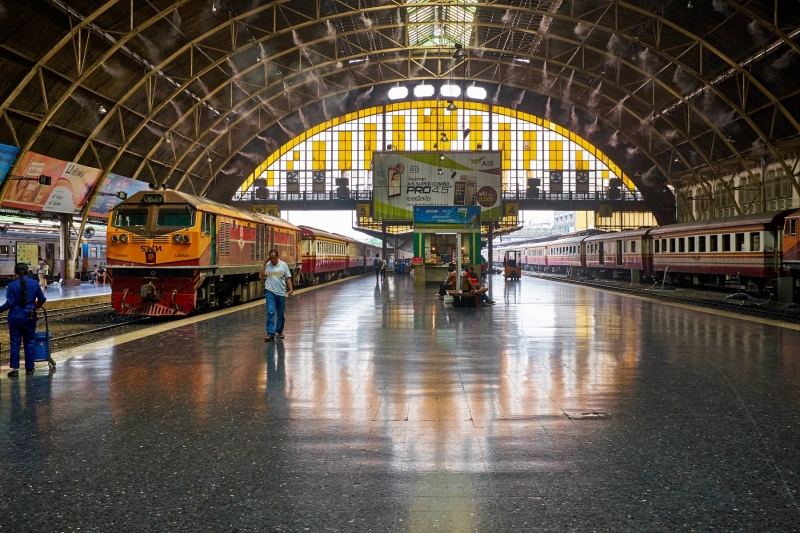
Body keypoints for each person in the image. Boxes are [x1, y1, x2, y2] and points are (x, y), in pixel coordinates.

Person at [1, 263, 47, 377]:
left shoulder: (11, 285)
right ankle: (29, 368)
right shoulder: (34, 283)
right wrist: (36, 306)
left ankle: (15, 369)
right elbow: (42, 299)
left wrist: (0, 309)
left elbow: (10, 303)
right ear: (27, 272)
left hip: (15, 317)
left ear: (14, 272)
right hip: (30, 316)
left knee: (15, 342)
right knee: (30, 342)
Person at [259, 249, 294, 342]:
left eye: (274, 258)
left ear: (278, 257)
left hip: (281, 293)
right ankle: (270, 333)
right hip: (270, 292)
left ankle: (279, 331)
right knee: (270, 312)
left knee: (281, 313)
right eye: (271, 258)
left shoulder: (284, 265)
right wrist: (264, 264)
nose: (273, 260)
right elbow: (261, 276)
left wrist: (290, 289)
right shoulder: (267, 265)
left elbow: (287, 278)